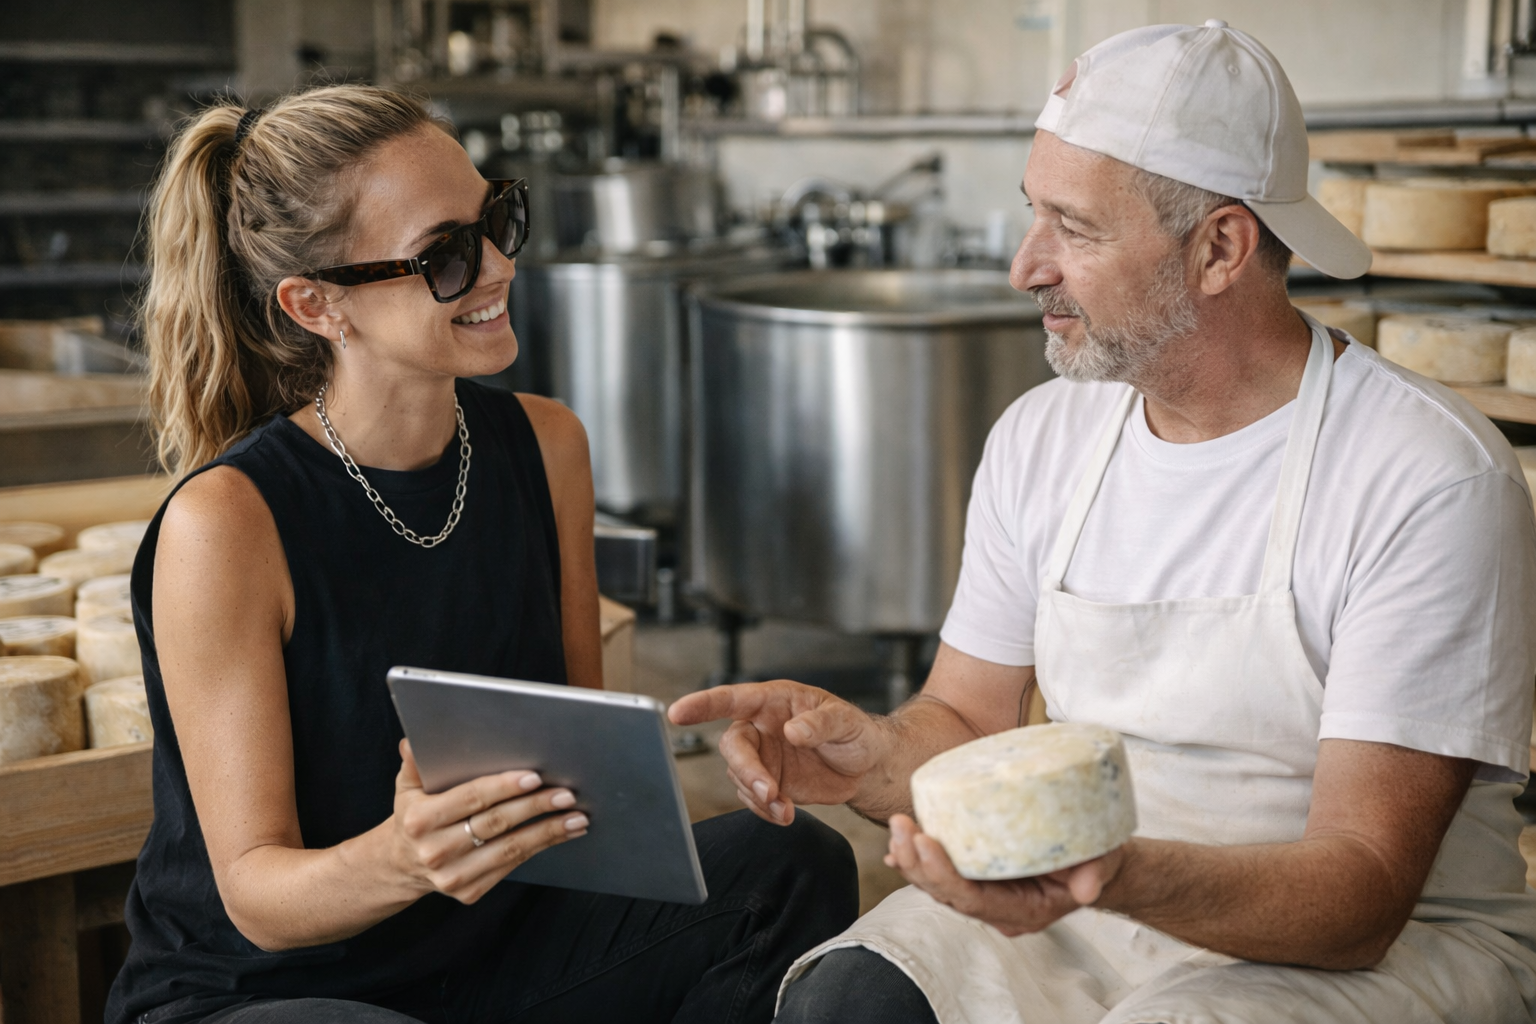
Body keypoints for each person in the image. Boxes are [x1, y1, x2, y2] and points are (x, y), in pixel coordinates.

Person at [672, 22, 1536, 1024]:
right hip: (1089, 902)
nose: (1025, 265)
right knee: (847, 999)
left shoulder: (1422, 476)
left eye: (1075, 230)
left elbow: (1361, 892)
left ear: (1219, 247)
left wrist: (1102, 875)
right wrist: (871, 751)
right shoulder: (1045, 437)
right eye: (1033, 215)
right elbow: (964, 724)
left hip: (1369, 951)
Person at [107, 84, 857, 1024]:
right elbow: (258, 898)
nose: (499, 264)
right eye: (446, 255)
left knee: (792, 865)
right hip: (279, 993)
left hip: (494, 956)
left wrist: (685, 766)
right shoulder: (228, 522)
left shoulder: (547, 446)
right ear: (315, 305)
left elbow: (584, 777)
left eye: (496, 218)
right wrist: (403, 857)